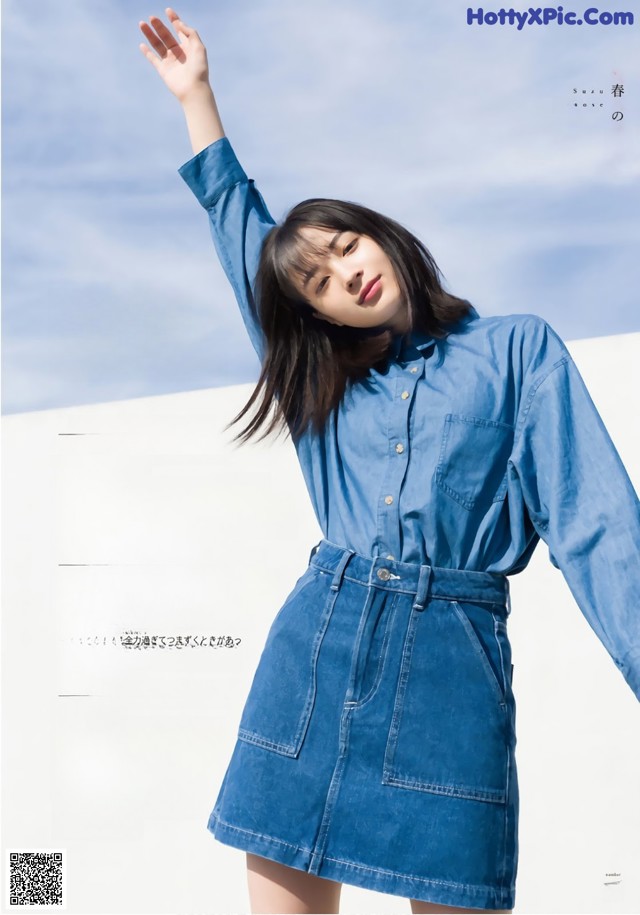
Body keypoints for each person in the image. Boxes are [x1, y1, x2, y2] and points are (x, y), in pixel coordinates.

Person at [138, 9, 640, 914]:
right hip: (317, 658)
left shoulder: (517, 351)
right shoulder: (321, 380)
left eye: (344, 247)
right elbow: (234, 222)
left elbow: (596, 523)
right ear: (317, 317)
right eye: (319, 285)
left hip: (454, 670)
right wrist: (198, 101)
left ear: (378, 231)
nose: (344, 275)